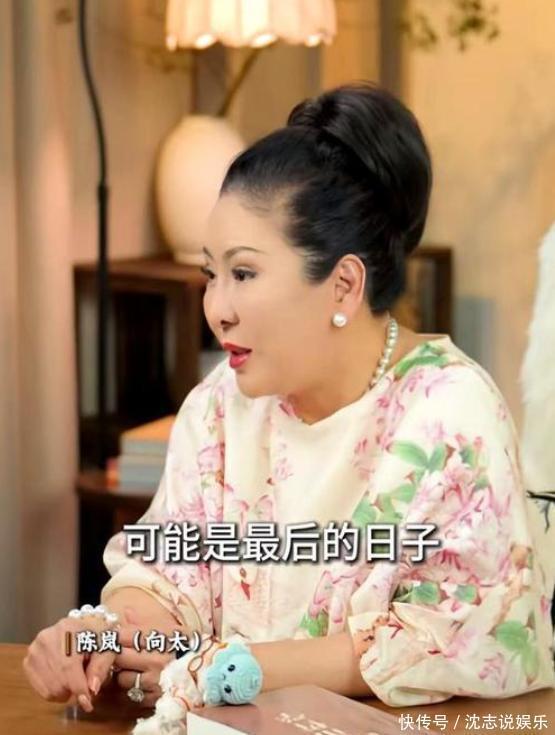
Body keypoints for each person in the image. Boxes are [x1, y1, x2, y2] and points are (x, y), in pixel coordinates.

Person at [24, 83, 555, 719]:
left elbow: (459, 638)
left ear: (344, 284)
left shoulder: (451, 414)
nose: (217, 309)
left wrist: (231, 667)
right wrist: (105, 633)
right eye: (211, 274)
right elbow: (170, 581)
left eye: (243, 273)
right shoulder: (219, 407)